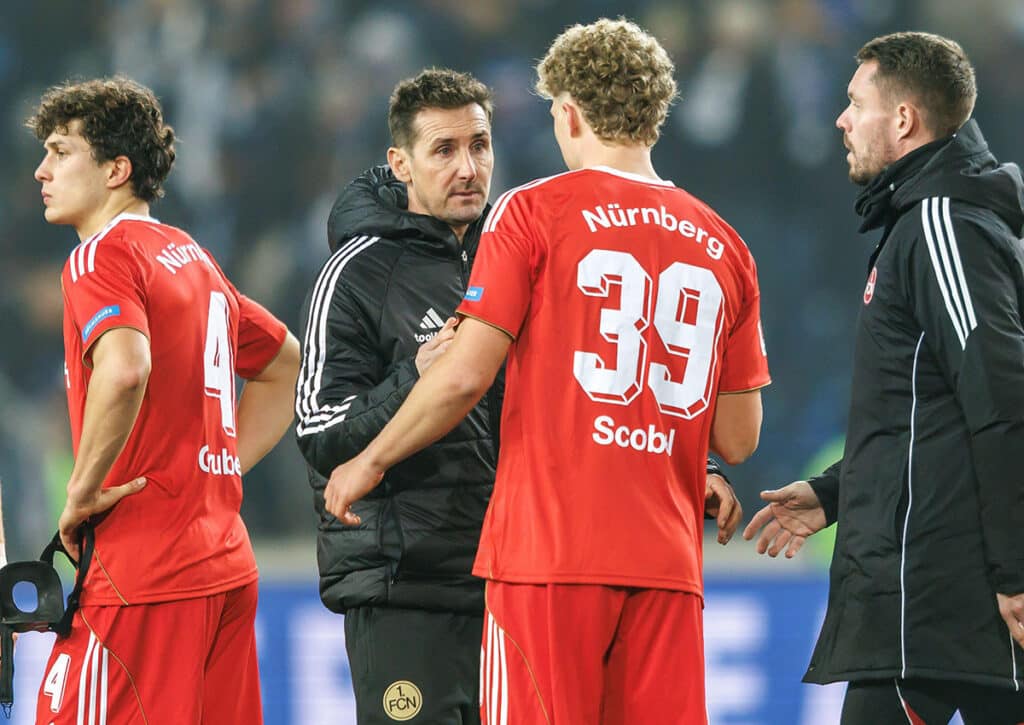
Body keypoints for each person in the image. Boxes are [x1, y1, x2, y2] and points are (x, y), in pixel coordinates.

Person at [319, 19, 767, 725]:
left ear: (568, 112)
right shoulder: (724, 243)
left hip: (547, 559)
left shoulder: (530, 212)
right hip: (668, 564)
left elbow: (465, 377)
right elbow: (738, 436)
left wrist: (369, 460)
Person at [743, 32, 1024, 724]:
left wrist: (1017, 570)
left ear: (903, 120)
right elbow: (932, 417)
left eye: (854, 102)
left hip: (936, 601)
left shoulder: (940, 227)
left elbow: (1002, 397)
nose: (840, 119)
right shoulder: (926, 224)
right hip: (928, 601)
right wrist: (837, 491)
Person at [27, 76, 300, 725]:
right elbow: (285, 362)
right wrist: (219, 467)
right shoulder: (192, 257)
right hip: (225, 562)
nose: (42, 169)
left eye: (62, 152)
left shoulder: (100, 256)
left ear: (116, 169)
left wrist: (82, 492)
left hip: (140, 574)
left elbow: (126, 369)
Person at [293, 68, 501, 725]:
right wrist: (416, 376)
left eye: (479, 145)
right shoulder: (355, 272)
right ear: (400, 164)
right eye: (444, 150)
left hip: (510, 579)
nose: (467, 168)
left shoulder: (514, 256)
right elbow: (321, 430)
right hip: (404, 587)